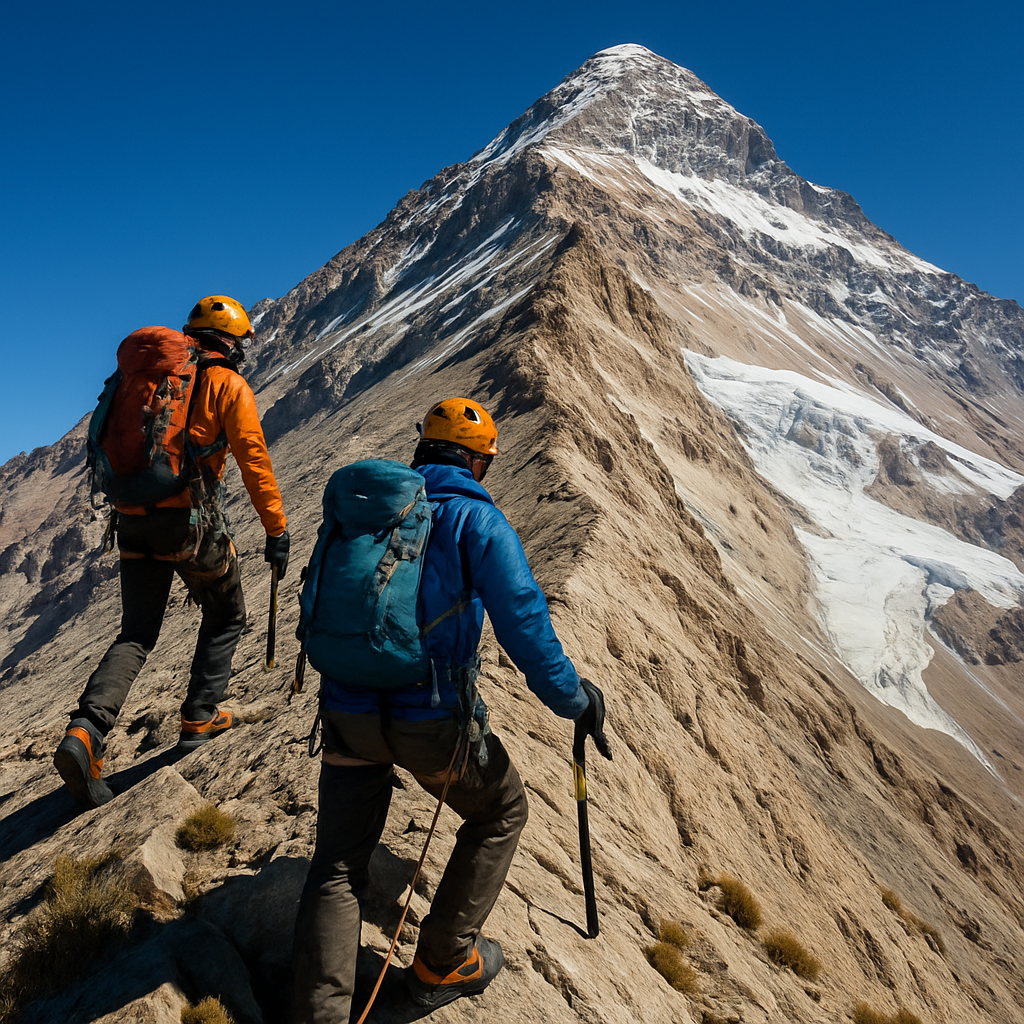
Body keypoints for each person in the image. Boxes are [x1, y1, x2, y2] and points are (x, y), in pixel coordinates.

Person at [289, 397, 611, 1022]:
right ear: (480, 462)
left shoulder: (367, 515)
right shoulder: (477, 522)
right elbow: (524, 626)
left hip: (347, 711)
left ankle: (315, 1014)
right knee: (499, 811)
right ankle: (442, 962)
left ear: (422, 449)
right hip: (432, 723)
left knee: (337, 865)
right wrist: (575, 700)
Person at [53, 295, 290, 810]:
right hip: (187, 524)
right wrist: (276, 528)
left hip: (131, 521)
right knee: (227, 613)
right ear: (231, 343)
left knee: (136, 633)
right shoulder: (226, 384)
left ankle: (85, 734)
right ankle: (200, 716)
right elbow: (254, 460)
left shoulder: (139, 381)